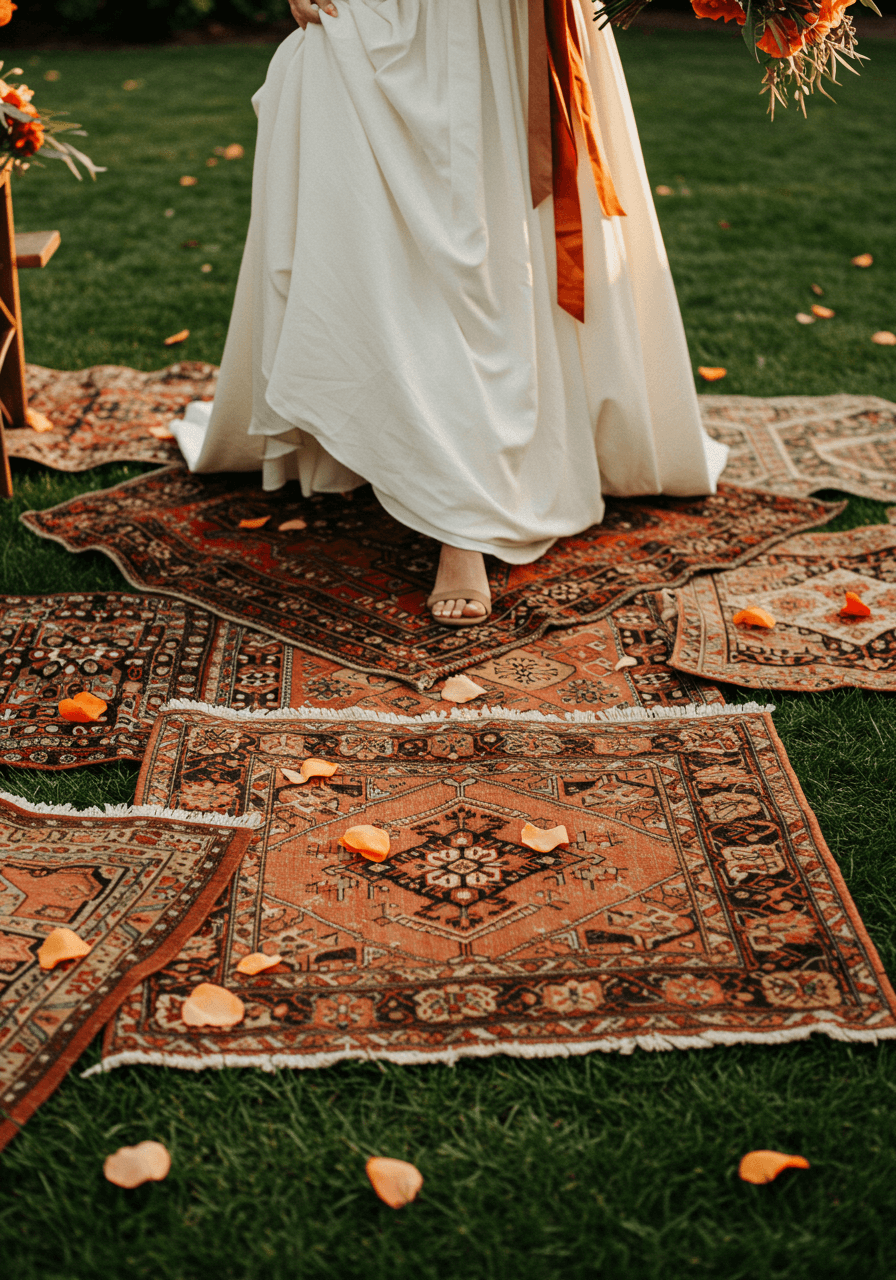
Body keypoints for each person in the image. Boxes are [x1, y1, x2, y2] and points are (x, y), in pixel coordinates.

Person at [171, 0, 727, 626]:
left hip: (504, 25)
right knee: (369, 242)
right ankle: (395, 444)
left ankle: (461, 521)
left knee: (492, 270)